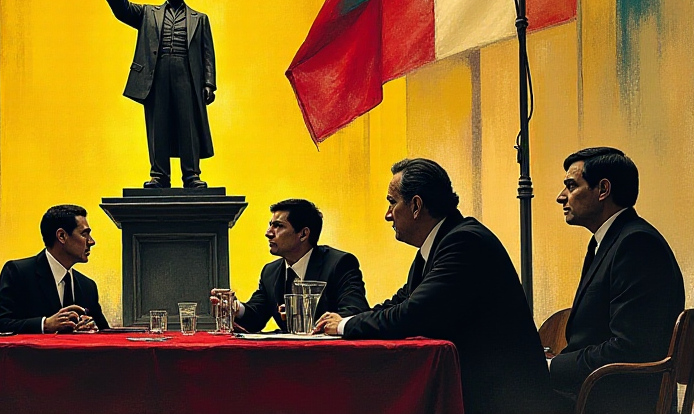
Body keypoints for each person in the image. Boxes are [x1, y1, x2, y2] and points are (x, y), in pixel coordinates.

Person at [315, 158, 552, 414]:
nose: (387, 215)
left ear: (416, 205)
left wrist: (343, 325)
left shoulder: (464, 242)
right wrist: (349, 319)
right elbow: (399, 303)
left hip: (501, 400)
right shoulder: (438, 244)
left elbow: (412, 314)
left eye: (392, 202)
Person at [549, 147, 683, 414]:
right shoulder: (609, 241)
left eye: (571, 186)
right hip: (595, 393)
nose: (560, 197)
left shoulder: (636, 243)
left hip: (614, 401)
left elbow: (630, 349)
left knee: (492, 392)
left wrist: (551, 367)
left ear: (603, 190)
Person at [94, 0, 216, 189]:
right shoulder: (148, 14)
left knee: (188, 124)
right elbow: (122, 9)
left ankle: (191, 175)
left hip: (187, 75)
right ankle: (159, 175)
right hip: (156, 75)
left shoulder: (200, 19)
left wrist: (209, 83)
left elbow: (207, 54)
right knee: (157, 124)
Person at [212, 199, 368, 333]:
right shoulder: (270, 271)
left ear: (303, 234)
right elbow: (256, 317)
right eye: (270, 225)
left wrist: (306, 316)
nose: (268, 233)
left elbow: (355, 312)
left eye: (278, 226)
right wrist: (235, 308)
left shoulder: (340, 264)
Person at [0, 204, 109, 333]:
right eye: (84, 234)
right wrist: (44, 324)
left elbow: (106, 333)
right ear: (62, 236)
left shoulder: (87, 286)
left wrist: (93, 328)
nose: (91, 241)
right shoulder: (18, 273)